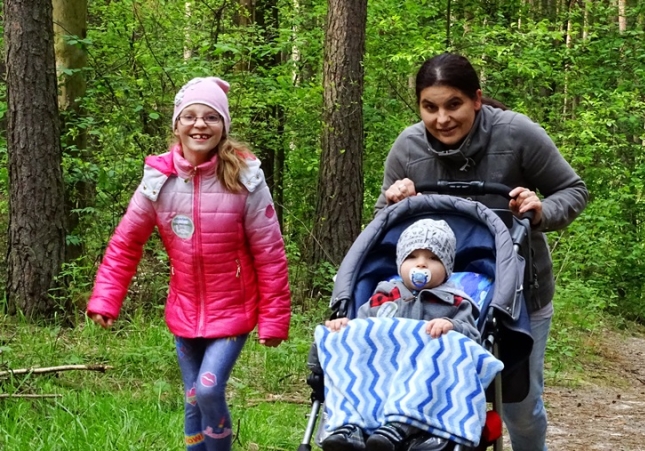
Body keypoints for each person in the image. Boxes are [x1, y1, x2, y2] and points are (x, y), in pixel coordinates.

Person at [375, 53, 588, 451]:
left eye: (453, 104)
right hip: (433, 297)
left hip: (519, 293)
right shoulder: (408, 147)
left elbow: (573, 190)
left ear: (476, 99)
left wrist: (540, 210)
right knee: (435, 393)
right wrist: (394, 202)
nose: (442, 119)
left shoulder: (516, 133)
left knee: (519, 404)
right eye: (430, 107)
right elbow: (382, 223)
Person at [86, 77, 292, 451]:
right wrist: (106, 299)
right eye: (190, 116)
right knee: (193, 397)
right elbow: (125, 243)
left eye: (211, 117)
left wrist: (274, 318)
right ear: (177, 124)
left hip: (233, 311)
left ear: (223, 126)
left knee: (209, 389)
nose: (200, 125)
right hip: (184, 310)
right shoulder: (158, 181)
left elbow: (270, 252)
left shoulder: (245, 179)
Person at [321, 218, 481, 451]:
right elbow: (361, 331)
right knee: (355, 371)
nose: (422, 264)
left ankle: (401, 426)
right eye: (412, 257)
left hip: (424, 377)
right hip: (381, 372)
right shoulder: (383, 297)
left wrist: (451, 325)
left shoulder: (456, 303)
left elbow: (473, 339)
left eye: (433, 258)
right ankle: (350, 426)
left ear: (447, 268)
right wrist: (345, 327)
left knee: (425, 379)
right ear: (399, 262)